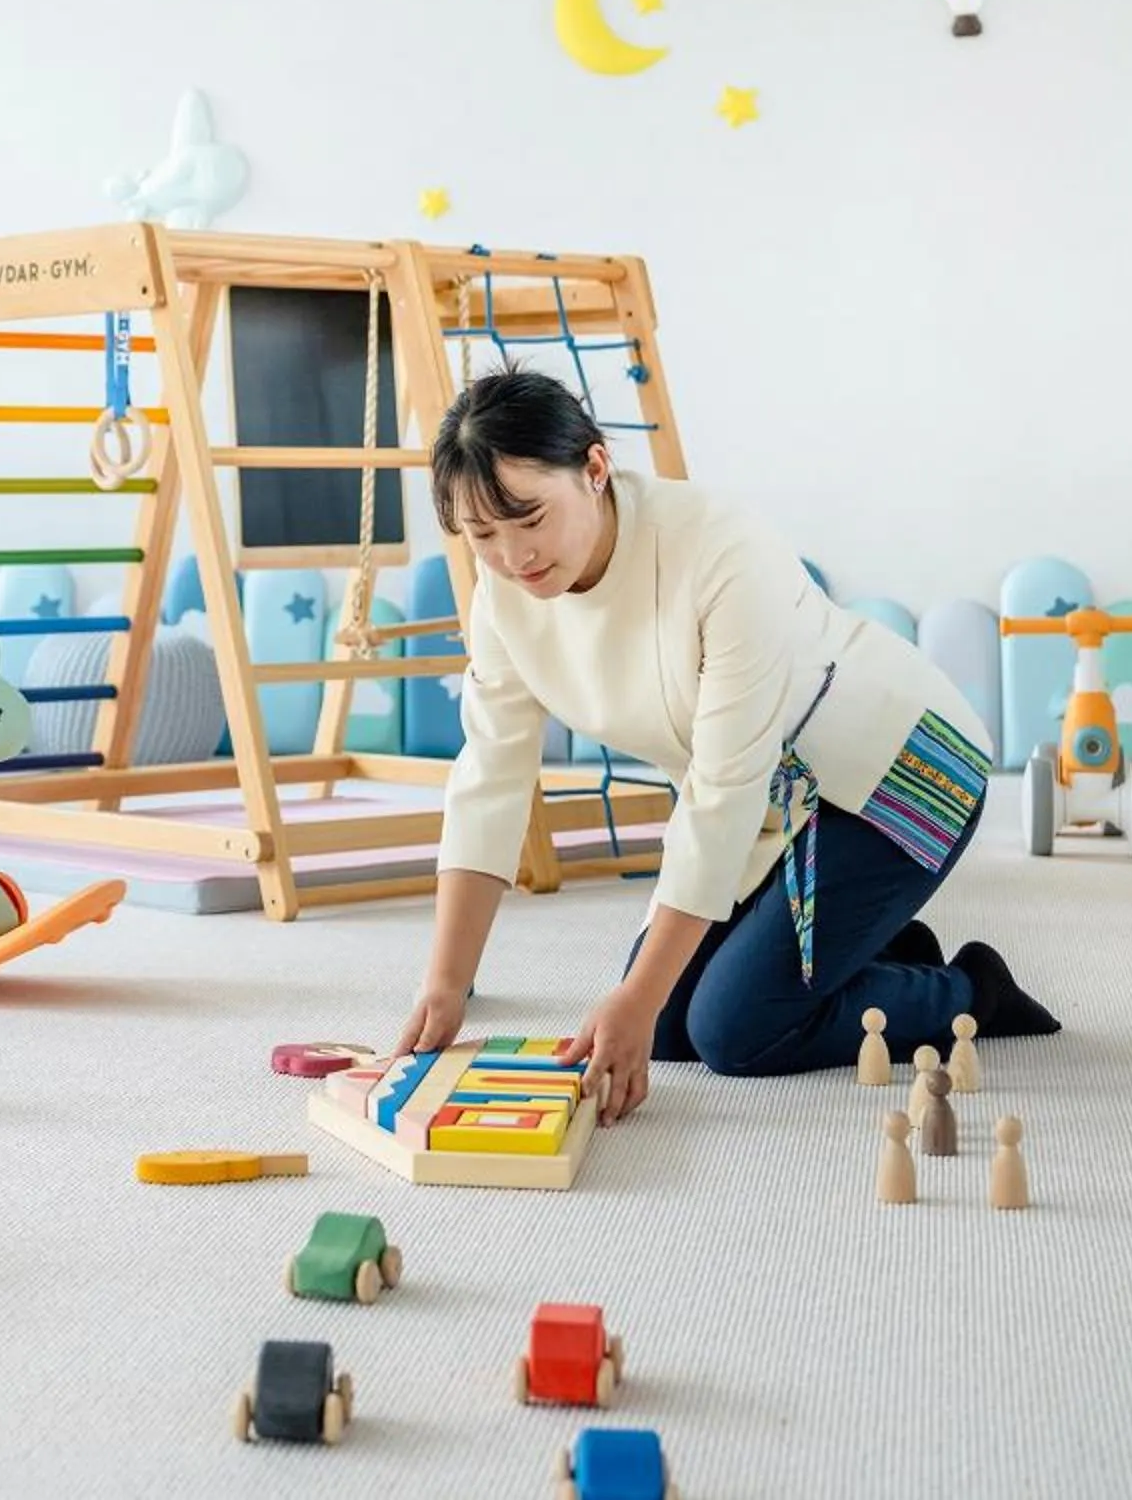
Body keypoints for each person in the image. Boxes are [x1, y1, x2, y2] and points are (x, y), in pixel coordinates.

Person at [389, 363, 1059, 1123]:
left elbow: (723, 788)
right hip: (771, 810)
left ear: (595, 468)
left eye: (531, 519)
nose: (514, 557)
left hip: (901, 769)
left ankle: (972, 989)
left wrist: (637, 998)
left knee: (733, 1030)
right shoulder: (505, 600)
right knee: (671, 1027)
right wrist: (445, 984)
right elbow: (489, 779)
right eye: (483, 536)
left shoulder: (718, 548)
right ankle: (869, 952)